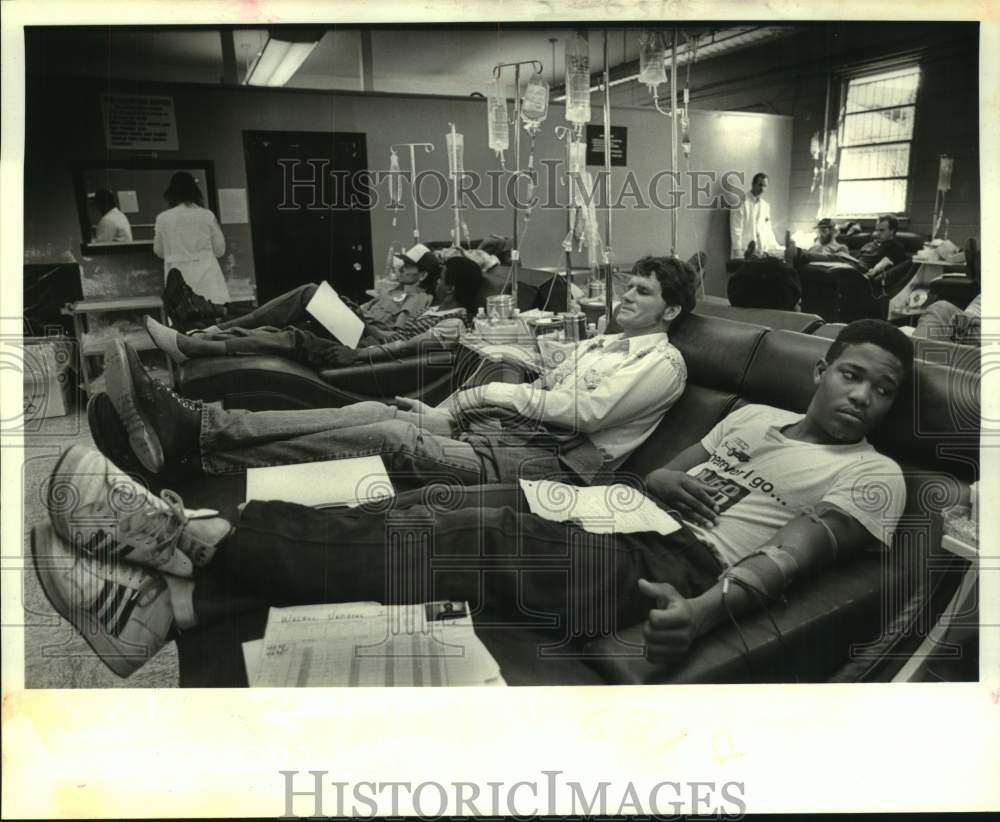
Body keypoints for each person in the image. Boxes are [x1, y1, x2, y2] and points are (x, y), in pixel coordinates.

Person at [35, 319, 912, 678]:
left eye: (882, 391)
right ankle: (176, 606)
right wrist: (664, 476)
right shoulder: (757, 415)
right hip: (619, 514)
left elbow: (800, 554)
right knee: (418, 514)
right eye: (853, 376)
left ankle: (199, 540)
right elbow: (649, 479)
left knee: (470, 543)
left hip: (668, 565)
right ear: (823, 371)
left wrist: (715, 603)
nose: (862, 397)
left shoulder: (876, 474)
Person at [97, 256, 698, 491]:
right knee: (372, 413)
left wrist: (471, 399)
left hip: (544, 470)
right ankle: (199, 428)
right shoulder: (606, 345)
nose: (625, 298)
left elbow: (580, 414)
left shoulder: (663, 363)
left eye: (641, 293)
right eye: (628, 286)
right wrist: (480, 397)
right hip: (500, 439)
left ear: (669, 310)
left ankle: (195, 451)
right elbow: (546, 388)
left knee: (391, 438)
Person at [148, 249, 453, 370]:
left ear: (423, 276)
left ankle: (212, 316)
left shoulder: (419, 301)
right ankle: (203, 335)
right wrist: (349, 308)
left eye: (408, 266)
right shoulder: (392, 291)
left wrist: (360, 321)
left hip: (365, 340)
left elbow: (392, 336)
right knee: (281, 326)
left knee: (308, 293)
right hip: (358, 328)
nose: (400, 268)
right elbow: (365, 311)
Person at [153, 171, 229, 305]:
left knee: (183, 317)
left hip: (177, 276)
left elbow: (159, 252)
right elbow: (220, 250)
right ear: (195, 192)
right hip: (207, 274)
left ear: (171, 193)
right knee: (212, 313)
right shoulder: (207, 215)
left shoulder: (163, 218)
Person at [730, 172, 783, 259]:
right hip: (744, 250)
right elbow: (736, 228)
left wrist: (775, 247)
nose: (762, 189)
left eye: (765, 186)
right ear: (753, 184)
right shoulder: (740, 202)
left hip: (760, 250)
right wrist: (737, 249)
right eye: (760, 185)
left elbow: (767, 229)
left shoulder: (765, 206)